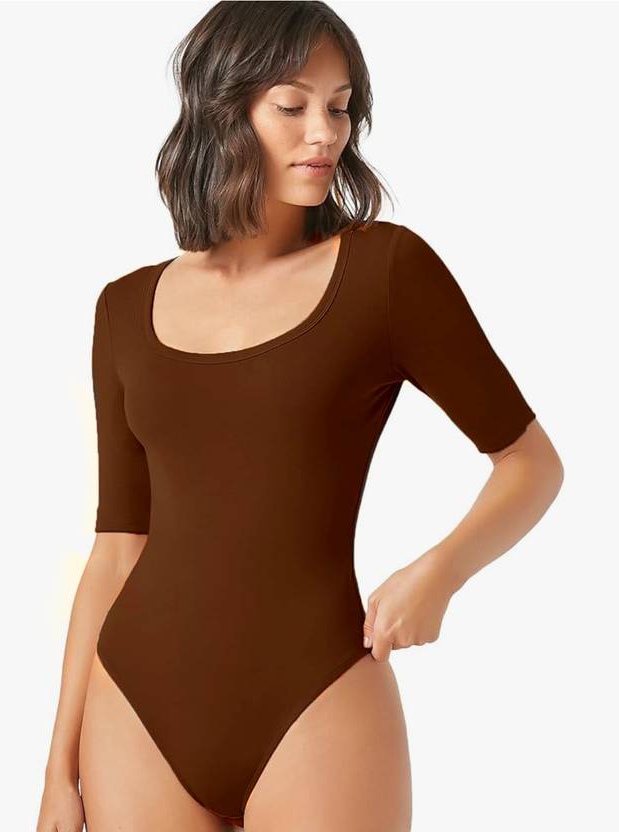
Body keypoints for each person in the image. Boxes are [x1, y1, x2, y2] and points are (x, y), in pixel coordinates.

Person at [36, 3, 563, 831]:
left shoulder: (385, 273)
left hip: (316, 696)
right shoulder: (123, 309)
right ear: (223, 110)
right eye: (292, 105)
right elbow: (117, 548)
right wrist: (57, 771)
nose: (325, 133)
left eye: (340, 106)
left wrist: (441, 571)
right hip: (133, 705)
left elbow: (532, 463)